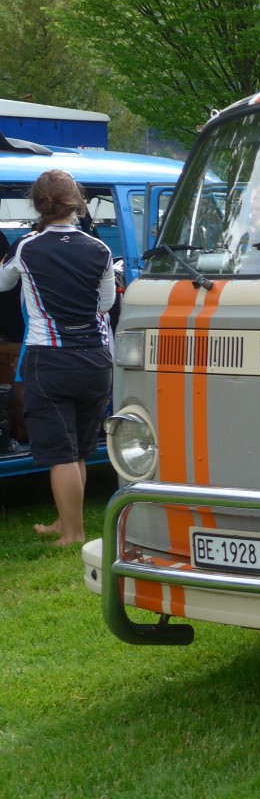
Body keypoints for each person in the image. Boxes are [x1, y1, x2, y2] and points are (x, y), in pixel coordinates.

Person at [0, 169, 115, 546]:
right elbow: (106, 303)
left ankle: (73, 533)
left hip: (49, 359)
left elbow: (3, 282)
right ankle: (66, 522)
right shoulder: (100, 249)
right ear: (76, 203)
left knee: (60, 453)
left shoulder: (27, 248)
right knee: (81, 447)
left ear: (38, 204)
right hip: (95, 360)